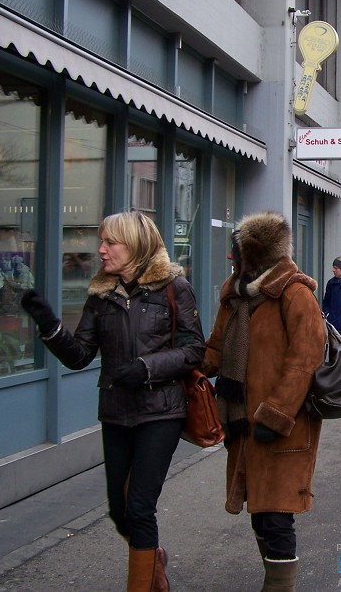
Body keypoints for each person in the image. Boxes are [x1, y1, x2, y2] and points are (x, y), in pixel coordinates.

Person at [20, 211, 205, 591]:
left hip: (162, 411)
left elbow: (194, 350)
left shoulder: (174, 286)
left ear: (135, 245)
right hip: (117, 412)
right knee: (119, 512)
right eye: (101, 242)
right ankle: (153, 557)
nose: (101, 250)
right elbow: (80, 355)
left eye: (110, 243)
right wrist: (50, 326)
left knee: (139, 507)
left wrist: (146, 367)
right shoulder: (101, 293)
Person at [202, 212, 325, 591]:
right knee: (258, 509)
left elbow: (304, 361)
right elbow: (215, 350)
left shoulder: (295, 293)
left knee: (276, 513)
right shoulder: (235, 294)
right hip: (243, 423)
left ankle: (279, 586)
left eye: (235, 251)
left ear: (255, 255)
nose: (229, 258)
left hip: (283, 426)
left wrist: (275, 416)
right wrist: (178, 365)